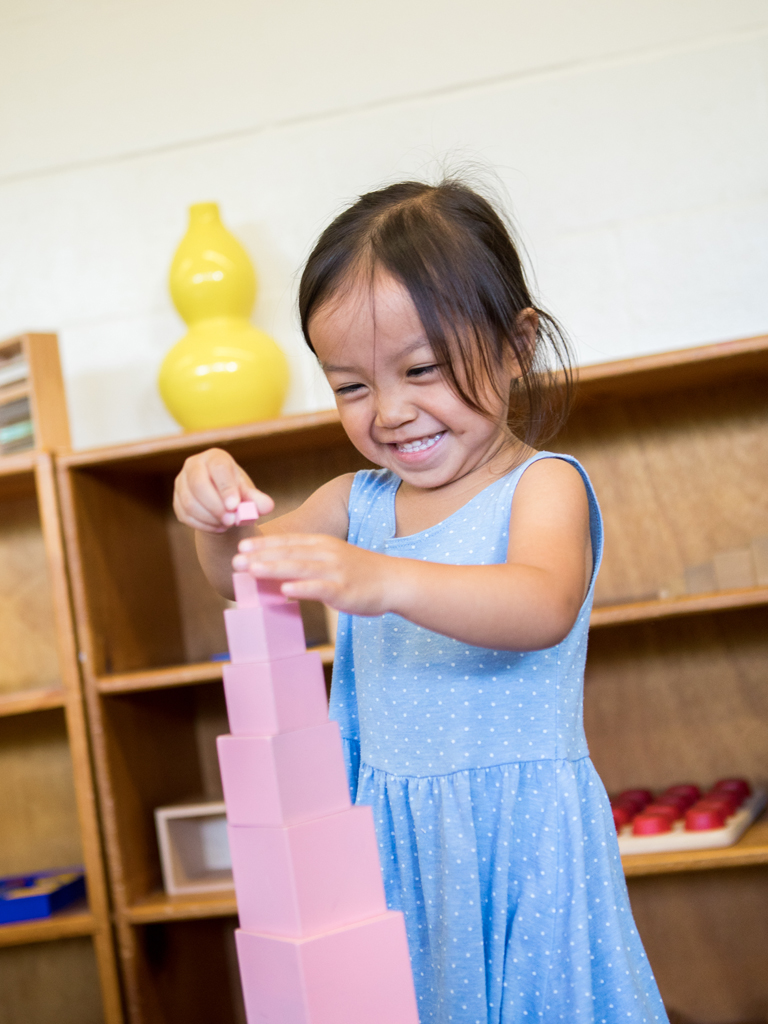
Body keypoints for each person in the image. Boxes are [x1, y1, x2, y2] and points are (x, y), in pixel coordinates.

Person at [173, 179, 668, 1024]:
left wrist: (383, 580)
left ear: (515, 346)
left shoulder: (541, 488)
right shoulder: (354, 501)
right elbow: (243, 572)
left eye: (422, 369)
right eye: (351, 386)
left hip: (519, 842)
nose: (391, 411)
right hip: (385, 837)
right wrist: (213, 514)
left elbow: (539, 604)